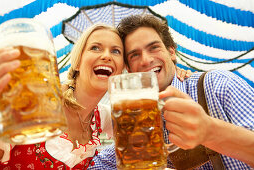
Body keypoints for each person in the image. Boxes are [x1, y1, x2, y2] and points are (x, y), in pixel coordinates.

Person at [0, 22, 190, 169]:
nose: (106, 56)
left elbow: (149, 127)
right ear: (77, 62)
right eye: (95, 48)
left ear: (122, 70)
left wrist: (171, 72)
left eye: (116, 51)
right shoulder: (37, 103)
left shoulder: (106, 118)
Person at [90, 15, 254, 169]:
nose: (146, 60)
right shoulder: (138, 120)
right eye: (134, 55)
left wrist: (210, 131)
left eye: (154, 48)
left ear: (171, 52)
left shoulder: (217, 84)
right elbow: (96, 165)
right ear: (129, 69)